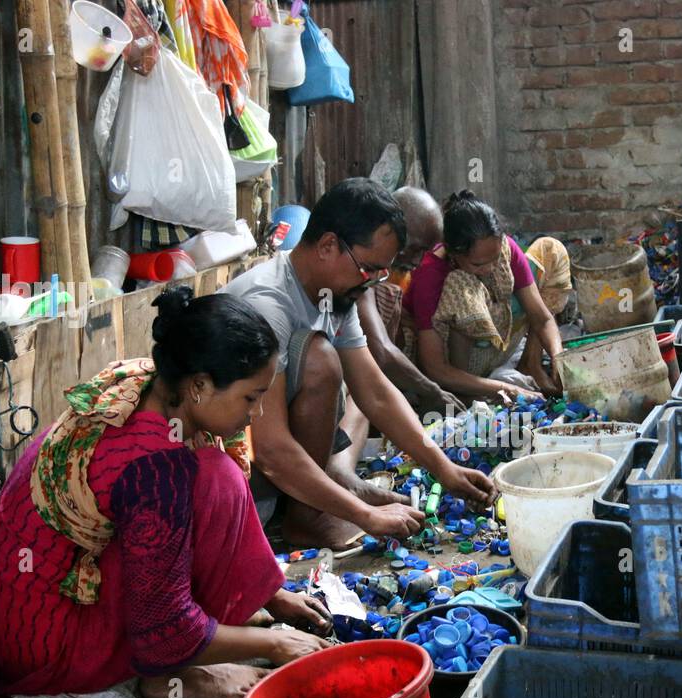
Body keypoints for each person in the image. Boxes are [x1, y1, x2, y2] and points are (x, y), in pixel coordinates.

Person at [0, 290, 333, 698]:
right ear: (200, 385)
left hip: (18, 608)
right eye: (251, 398)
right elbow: (165, 630)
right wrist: (276, 643)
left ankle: (200, 643)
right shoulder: (155, 466)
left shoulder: (145, 383)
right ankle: (169, 675)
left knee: (214, 475)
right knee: (217, 480)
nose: (255, 414)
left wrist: (270, 597)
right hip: (45, 645)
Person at [223, 178, 496, 548]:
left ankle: (332, 485)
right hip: (237, 481)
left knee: (350, 379)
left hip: (279, 463)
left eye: (381, 272)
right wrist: (363, 515)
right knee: (321, 359)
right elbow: (268, 450)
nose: (373, 283)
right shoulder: (268, 304)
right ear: (327, 245)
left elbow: (376, 393)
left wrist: (445, 470)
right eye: (368, 269)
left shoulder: (335, 294)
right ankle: (306, 519)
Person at [404, 191, 572, 403]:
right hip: (453, 365)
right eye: (478, 264)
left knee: (550, 249)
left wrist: (558, 357)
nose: (490, 268)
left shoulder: (504, 249)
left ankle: (531, 364)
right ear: (453, 253)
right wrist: (506, 389)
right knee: (462, 285)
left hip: (497, 342)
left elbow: (543, 318)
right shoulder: (429, 275)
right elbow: (436, 369)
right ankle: (466, 393)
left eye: (494, 259)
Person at [355, 187, 459, 413]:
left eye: (426, 252)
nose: (419, 260)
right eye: (414, 248)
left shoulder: (397, 274)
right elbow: (381, 350)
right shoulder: (362, 268)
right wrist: (431, 389)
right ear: (387, 230)